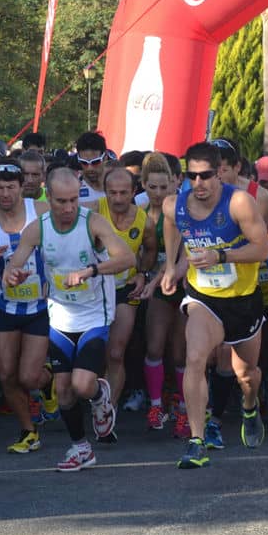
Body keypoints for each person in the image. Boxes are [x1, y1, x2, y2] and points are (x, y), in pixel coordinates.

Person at [2, 167, 134, 471]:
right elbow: (14, 264)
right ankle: (81, 449)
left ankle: (101, 396)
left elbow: (127, 258)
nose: (69, 208)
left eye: (74, 200)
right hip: (59, 315)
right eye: (61, 201)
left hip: (93, 315)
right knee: (62, 389)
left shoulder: (93, 222)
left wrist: (92, 271)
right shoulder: (38, 228)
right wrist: (13, 274)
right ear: (49, 197)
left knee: (82, 384)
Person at [162, 142, 268, 469]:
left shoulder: (239, 203)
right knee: (194, 357)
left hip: (243, 300)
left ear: (220, 172)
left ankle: (249, 407)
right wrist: (171, 265)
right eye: (192, 177)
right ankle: (197, 441)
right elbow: (171, 225)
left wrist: (221, 255)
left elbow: (262, 249)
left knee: (246, 373)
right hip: (203, 298)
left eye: (206, 175)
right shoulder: (175, 205)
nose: (199, 184)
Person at [0, 159, 52, 454]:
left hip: (38, 306)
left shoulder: (41, 212)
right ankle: (28, 431)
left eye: (10, 187)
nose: (5, 193)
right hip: (5, 306)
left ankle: (47, 382)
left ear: (22, 187)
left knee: (28, 377)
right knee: (7, 374)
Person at [96, 167, 156, 440]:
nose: (117, 198)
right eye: (112, 193)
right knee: (97, 353)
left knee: (117, 353)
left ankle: (108, 410)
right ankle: (96, 398)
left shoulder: (144, 220)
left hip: (125, 290)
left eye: (123, 193)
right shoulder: (93, 212)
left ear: (134, 192)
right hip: (95, 291)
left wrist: (143, 274)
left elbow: (151, 249)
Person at [137, 153, 186, 433]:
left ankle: (182, 408)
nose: (157, 193)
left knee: (180, 353)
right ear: (143, 185)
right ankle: (155, 405)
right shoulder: (140, 211)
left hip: (181, 283)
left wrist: (156, 279)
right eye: (151, 187)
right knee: (154, 346)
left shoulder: (181, 208)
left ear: (173, 183)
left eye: (163, 187)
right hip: (154, 287)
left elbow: (179, 256)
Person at [75, 132, 108, 202]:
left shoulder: (118, 184)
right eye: (84, 162)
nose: (90, 168)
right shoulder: (73, 187)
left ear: (105, 158)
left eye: (95, 162)